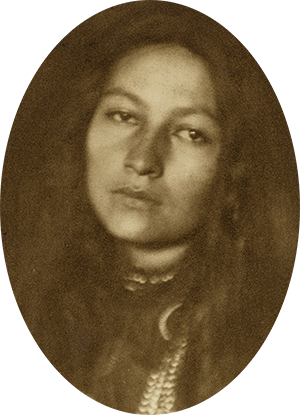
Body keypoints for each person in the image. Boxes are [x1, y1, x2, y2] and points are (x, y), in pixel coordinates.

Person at [2, 1, 298, 413]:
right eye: (123, 115)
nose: (143, 160)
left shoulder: (270, 335)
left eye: (190, 133)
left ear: (234, 167)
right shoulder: (30, 293)